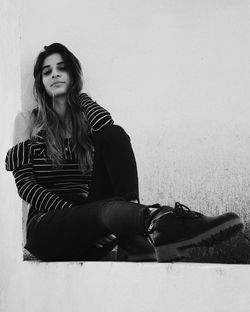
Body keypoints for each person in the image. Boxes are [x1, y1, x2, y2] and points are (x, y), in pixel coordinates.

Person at [5, 43, 244, 262]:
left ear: (73, 76)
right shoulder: (29, 121)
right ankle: (162, 220)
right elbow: (26, 187)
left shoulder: (87, 119)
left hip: (94, 231)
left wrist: (80, 98)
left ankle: (131, 240)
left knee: (114, 134)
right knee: (102, 212)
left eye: (62, 68)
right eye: (47, 71)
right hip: (48, 230)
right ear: (40, 81)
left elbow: (107, 127)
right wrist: (78, 216)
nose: (55, 74)